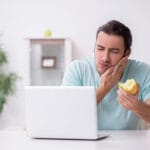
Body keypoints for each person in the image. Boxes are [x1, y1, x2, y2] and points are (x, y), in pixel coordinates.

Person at [62, 20, 150, 130]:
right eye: (100, 48)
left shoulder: (144, 71)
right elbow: (68, 115)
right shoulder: (77, 69)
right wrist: (104, 88)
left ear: (126, 54)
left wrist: (136, 106)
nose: (105, 58)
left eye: (114, 51)